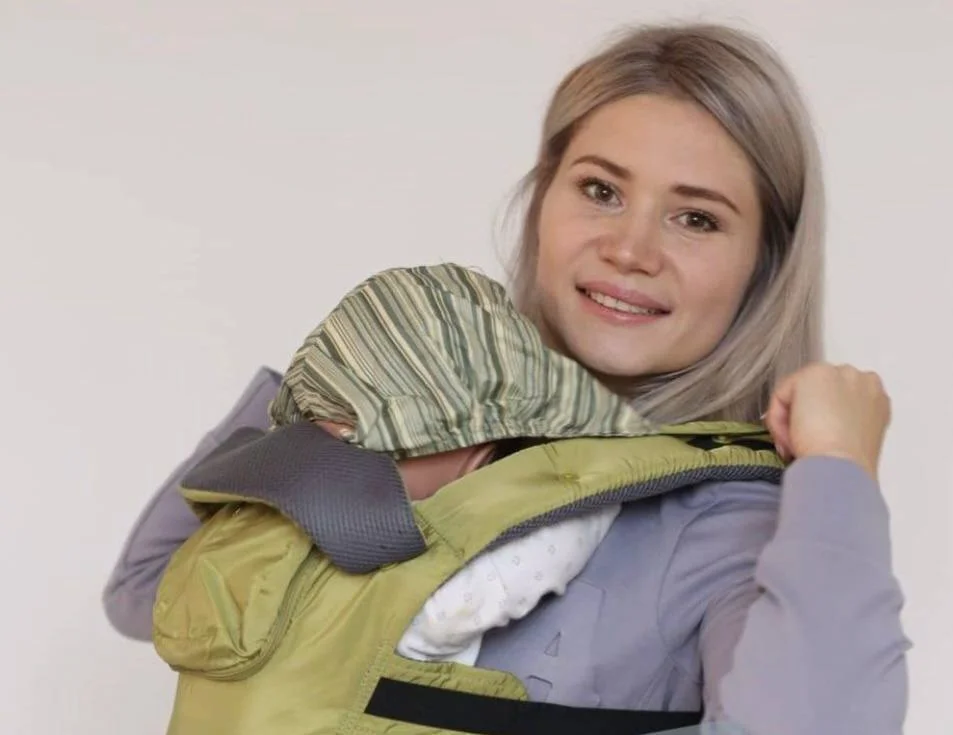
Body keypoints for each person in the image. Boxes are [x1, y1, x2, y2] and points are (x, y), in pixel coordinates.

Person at [104, 22, 909, 735]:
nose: (630, 249)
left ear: (763, 265)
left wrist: (838, 471)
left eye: (694, 217)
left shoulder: (727, 519)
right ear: (539, 202)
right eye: (600, 190)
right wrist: (322, 396)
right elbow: (147, 594)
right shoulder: (434, 420)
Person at [268, 262, 652, 665]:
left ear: (473, 448)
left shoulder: (552, 516)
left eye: (355, 442)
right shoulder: (314, 505)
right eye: (310, 433)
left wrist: (327, 598)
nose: (326, 465)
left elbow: (432, 626)